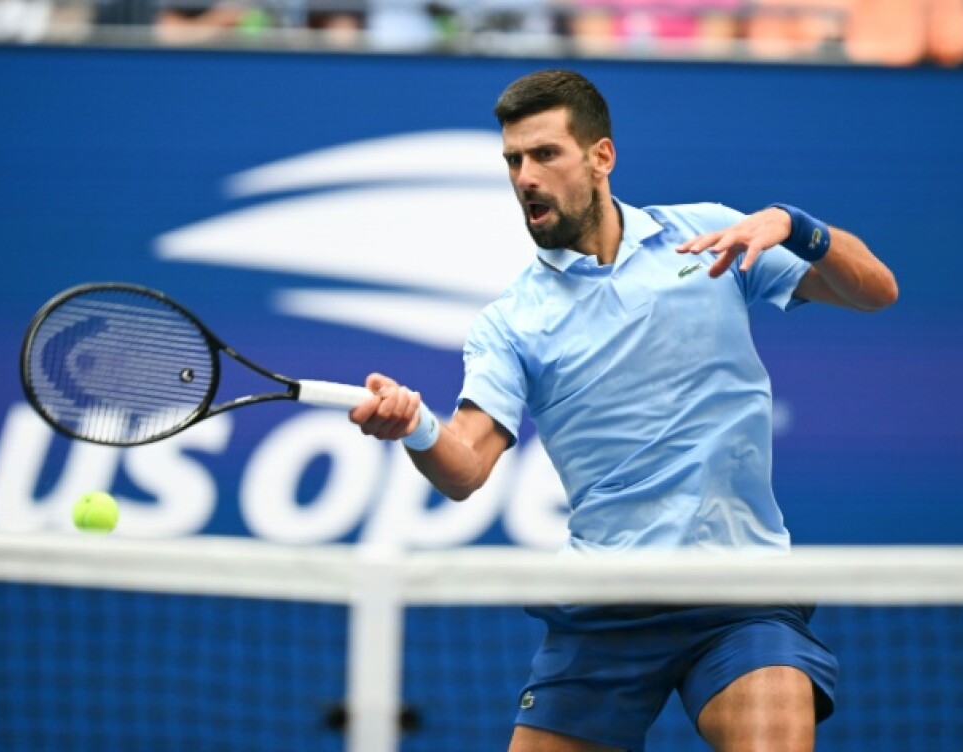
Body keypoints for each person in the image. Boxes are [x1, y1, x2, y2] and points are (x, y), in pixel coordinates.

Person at [348, 69, 897, 752]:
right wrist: (417, 426)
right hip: (604, 604)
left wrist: (796, 227)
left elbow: (876, 291)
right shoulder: (512, 322)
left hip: (738, 594)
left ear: (600, 157)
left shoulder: (709, 237)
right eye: (514, 160)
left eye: (545, 154)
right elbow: (465, 468)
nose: (524, 177)